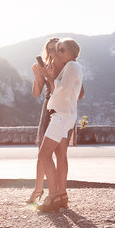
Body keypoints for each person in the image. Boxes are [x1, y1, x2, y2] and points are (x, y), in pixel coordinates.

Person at [28, 38, 84, 205]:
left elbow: (75, 91)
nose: (53, 52)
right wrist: (39, 75)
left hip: (61, 110)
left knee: (59, 154)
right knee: (44, 152)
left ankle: (59, 194)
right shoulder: (48, 65)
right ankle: (40, 189)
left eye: (57, 49)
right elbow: (37, 92)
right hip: (50, 109)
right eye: (50, 49)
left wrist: (51, 77)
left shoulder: (68, 67)